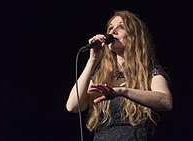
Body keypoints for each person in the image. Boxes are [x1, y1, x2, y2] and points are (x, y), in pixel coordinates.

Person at [66, 10, 173, 141]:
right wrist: (92, 61)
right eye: (110, 28)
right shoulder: (101, 76)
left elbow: (165, 101)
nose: (113, 31)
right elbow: (73, 106)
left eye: (121, 27)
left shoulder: (149, 71)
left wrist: (123, 91)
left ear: (135, 36)